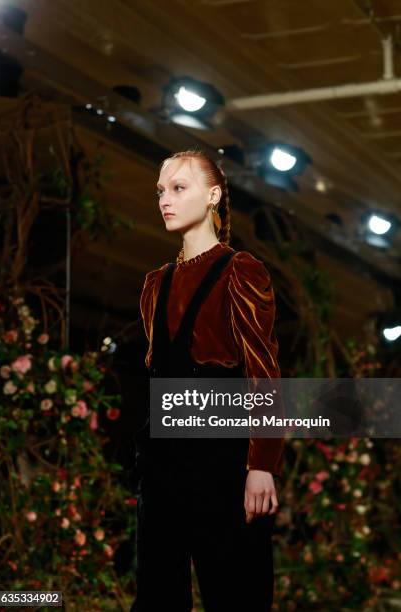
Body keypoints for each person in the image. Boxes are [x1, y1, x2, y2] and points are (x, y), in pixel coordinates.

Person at [130, 150, 285, 611]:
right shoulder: (155, 284)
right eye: (161, 190)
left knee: (235, 591)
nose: (165, 199)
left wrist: (262, 465)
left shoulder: (240, 270)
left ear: (213, 195)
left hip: (223, 461)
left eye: (179, 188)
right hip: (163, 465)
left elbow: (264, 373)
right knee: (157, 594)